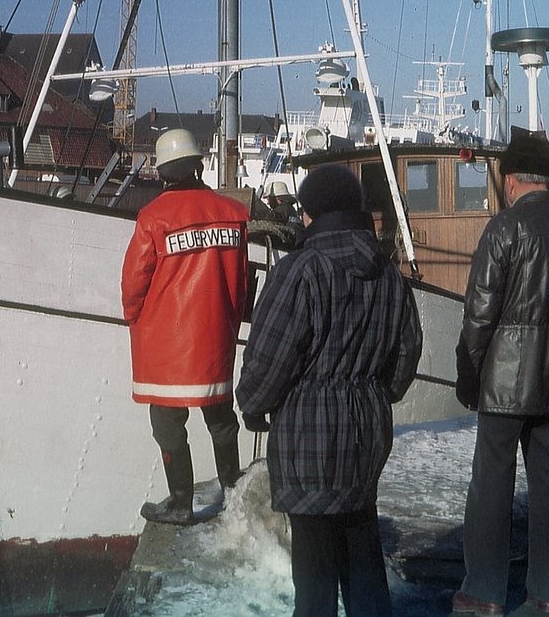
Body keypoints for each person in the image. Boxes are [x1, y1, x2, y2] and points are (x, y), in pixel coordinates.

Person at [235, 164, 422, 617]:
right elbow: (407, 352)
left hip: (308, 437)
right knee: (362, 554)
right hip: (366, 432)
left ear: (311, 214)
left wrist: (254, 405)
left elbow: (269, 356)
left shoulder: (300, 271)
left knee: (315, 575)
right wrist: (373, 396)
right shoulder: (389, 275)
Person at [453, 128, 549, 615]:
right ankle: (547, 592)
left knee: (492, 484)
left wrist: (469, 373)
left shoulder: (503, 229)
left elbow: (479, 315)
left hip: (503, 383)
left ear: (511, 180)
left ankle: (487, 591)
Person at [121, 128, 249, 526]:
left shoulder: (153, 218)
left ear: (162, 172)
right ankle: (233, 493)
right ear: (198, 164)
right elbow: (241, 282)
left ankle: (180, 501)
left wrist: (134, 316)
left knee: (167, 421)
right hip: (215, 337)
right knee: (221, 419)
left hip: (167, 343)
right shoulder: (233, 214)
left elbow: (133, 284)